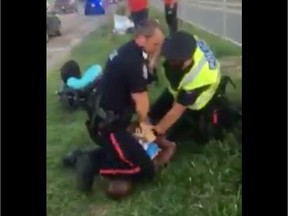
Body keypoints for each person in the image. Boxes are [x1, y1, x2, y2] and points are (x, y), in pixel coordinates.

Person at [63, 20, 176, 198]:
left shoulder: (128, 51)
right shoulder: (133, 62)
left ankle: (81, 156)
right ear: (141, 39)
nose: (158, 48)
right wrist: (146, 130)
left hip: (105, 120)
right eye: (155, 44)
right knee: (145, 169)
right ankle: (93, 165)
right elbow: (142, 105)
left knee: (126, 152)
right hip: (110, 128)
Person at [149, 31, 222, 142]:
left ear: (186, 60)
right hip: (177, 89)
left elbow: (177, 110)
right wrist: (153, 61)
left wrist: (155, 132)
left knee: (170, 135)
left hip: (195, 102)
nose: (169, 62)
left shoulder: (201, 76)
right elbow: (164, 45)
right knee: (153, 113)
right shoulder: (185, 41)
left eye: (173, 61)